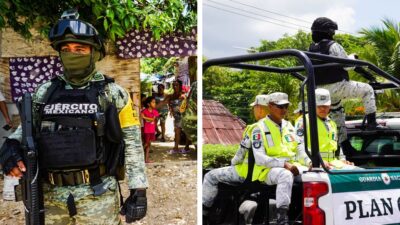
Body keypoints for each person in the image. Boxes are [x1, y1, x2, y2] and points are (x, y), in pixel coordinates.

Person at [0, 10, 148, 224]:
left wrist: (139, 190)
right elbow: (26, 131)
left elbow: (133, 143)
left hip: (98, 199)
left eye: (80, 49)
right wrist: (11, 146)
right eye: (66, 50)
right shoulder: (44, 93)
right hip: (50, 199)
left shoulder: (113, 94)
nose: (72, 55)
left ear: (94, 53)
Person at [203, 92, 306, 225]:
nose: (284, 110)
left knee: (210, 175)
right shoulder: (275, 127)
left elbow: (239, 156)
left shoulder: (254, 128)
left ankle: (205, 214)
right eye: (281, 106)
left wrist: (233, 163)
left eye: (285, 106)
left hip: (249, 172)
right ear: (269, 106)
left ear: (260, 108)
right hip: (266, 170)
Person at [309, 17, 380, 151]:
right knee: (367, 90)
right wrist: (353, 58)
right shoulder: (333, 45)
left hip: (321, 91)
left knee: (337, 114)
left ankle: (346, 147)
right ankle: (372, 123)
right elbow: (348, 66)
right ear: (329, 31)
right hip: (338, 86)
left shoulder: (310, 48)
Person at [295, 88, 355, 169]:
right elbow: (299, 147)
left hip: (333, 164)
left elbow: (336, 147)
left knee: (360, 174)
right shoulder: (303, 121)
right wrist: (312, 162)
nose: (323, 108)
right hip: (315, 165)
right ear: (312, 105)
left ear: (330, 106)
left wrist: (342, 159)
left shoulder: (332, 123)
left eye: (325, 106)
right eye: (319, 106)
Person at [168, 79, 190, 154]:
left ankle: (187, 148)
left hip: (184, 116)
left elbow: (187, 106)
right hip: (176, 117)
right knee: (177, 132)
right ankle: (176, 148)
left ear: (180, 86)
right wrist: (171, 110)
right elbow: (170, 104)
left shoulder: (183, 96)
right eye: (173, 85)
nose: (174, 86)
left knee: (187, 132)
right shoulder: (171, 96)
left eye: (176, 85)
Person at [141, 96, 159, 163]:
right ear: (148, 104)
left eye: (155, 102)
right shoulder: (144, 111)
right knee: (146, 144)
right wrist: (144, 117)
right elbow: (142, 117)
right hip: (146, 130)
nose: (155, 104)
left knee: (148, 145)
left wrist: (145, 117)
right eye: (153, 102)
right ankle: (139, 153)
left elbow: (153, 119)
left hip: (152, 130)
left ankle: (146, 159)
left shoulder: (155, 111)